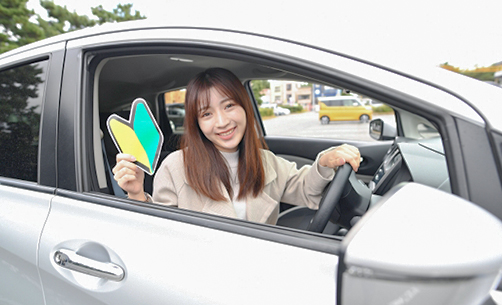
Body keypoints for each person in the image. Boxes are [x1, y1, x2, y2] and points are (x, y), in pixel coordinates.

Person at [113, 68, 361, 225]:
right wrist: (136, 193)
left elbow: (306, 189)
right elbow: (158, 230)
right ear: (197, 123)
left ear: (245, 107)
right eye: (207, 114)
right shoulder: (176, 166)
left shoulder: (265, 161)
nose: (222, 122)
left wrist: (326, 161)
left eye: (229, 106)